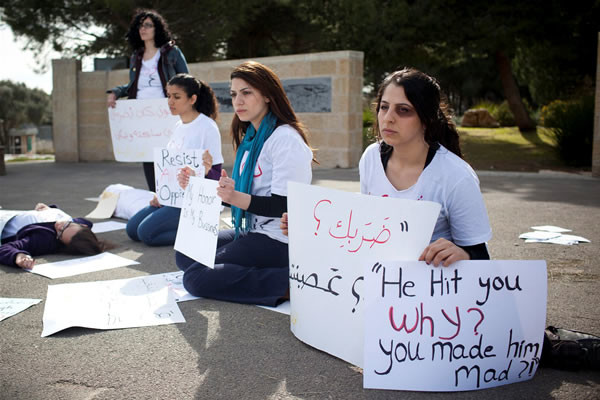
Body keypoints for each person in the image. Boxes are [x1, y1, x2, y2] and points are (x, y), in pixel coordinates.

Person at [175, 61, 314, 306]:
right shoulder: (251, 139)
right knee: (187, 254)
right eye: (234, 94)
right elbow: (240, 194)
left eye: (246, 93)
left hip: (279, 240)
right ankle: (259, 275)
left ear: (269, 96)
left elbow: (284, 205)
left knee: (195, 278)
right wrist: (205, 180)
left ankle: (289, 284)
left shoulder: (285, 140)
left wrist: (233, 197)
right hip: (251, 229)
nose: (237, 101)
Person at [359, 67, 492, 266]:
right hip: (380, 284)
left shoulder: (456, 175)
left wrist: (464, 255)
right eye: (384, 107)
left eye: (404, 110)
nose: (388, 118)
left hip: (431, 291)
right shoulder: (370, 158)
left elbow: (482, 257)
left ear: (427, 118)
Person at [126, 73, 223, 246]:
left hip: (194, 201)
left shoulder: (207, 127)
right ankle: (186, 225)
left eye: (176, 97)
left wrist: (204, 170)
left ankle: (200, 231)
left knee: (146, 233)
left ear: (192, 99)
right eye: (169, 96)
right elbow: (169, 168)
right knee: (132, 230)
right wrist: (161, 194)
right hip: (172, 198)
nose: (170, 101)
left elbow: (216, 175)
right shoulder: (177, 127)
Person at [106, 8, 189, 192]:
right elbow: (132, 85)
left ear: (156, 29)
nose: (143, 29)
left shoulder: (171, 52)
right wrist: (116, 92)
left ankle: (174, 195)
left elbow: (186, 80)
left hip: (166, 112)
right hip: (142, 115)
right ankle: (156, 196)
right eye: (140, 26)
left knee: (169, 155)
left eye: (148, 25)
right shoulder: (136, 56)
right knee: (148, 155)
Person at [0, 203, 110, 269]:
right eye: (67, 225)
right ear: (81, 225)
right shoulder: (77, 224)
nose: (59, 226)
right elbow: (86, 222)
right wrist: (49, 210)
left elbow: (5, 248)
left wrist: (18, 256)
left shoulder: (43, 239)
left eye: (60, 233)